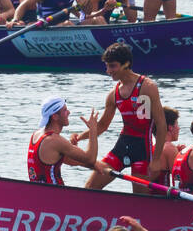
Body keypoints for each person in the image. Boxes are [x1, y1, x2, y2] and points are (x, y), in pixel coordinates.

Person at [81, 43, 168, 191]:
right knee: (90, 187)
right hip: (121, 147)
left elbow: (161, 126)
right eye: (107, 66)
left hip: (143, 150)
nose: (108, 71)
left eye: (113, 66)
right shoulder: (112, 95)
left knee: (139, 200)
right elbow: (102, 126)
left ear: (126, 64)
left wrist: (157, 159)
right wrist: (79, 137)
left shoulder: (148, 86)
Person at [27, 97, 104, 185]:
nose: (69, 112)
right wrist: (93, 130)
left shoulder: (36, 135)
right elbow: (90, 158)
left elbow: (68, 160)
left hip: (39, 193)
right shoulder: (54, 140)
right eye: (65, 110)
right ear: (55, 116)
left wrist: (91, 165)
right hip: (55, 194)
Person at [146, 107, 181, 188]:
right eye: (177, 124)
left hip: (150, 196)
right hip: (162, 198)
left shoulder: (152, 148)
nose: (179, 128)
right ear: (170, 127)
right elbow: (180, 181)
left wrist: (180, 155)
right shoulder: (169, 148)